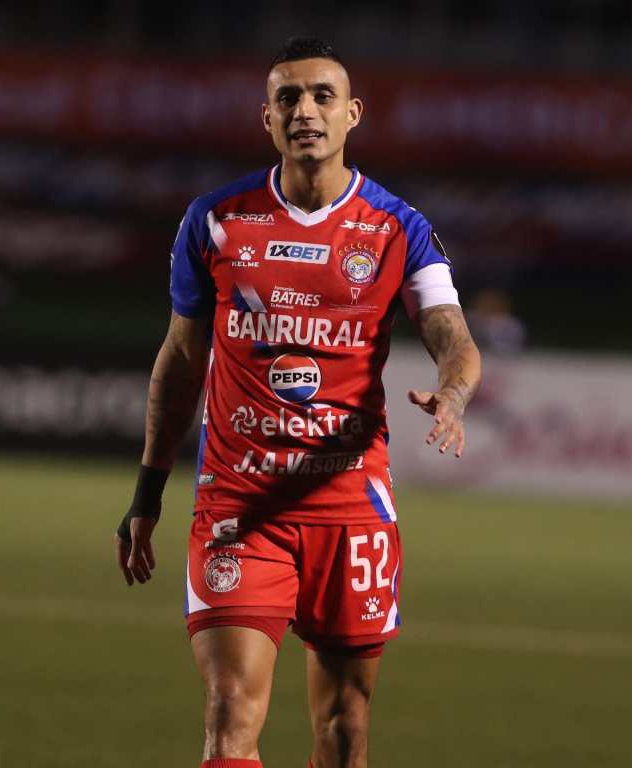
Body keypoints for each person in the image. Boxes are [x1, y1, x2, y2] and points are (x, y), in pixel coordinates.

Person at [115, 38, 481, 768]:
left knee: (343, 726)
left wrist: (453, 393)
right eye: (288, 98)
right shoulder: (215, 221)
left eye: (320, 96)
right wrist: (147, 492)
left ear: (352, 115)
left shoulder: (397, 229)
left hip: (350, 508)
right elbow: (182, 360)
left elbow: (453, 335)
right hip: (238, 506)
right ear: (267, 119)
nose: (304, 111)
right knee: (228, 713)